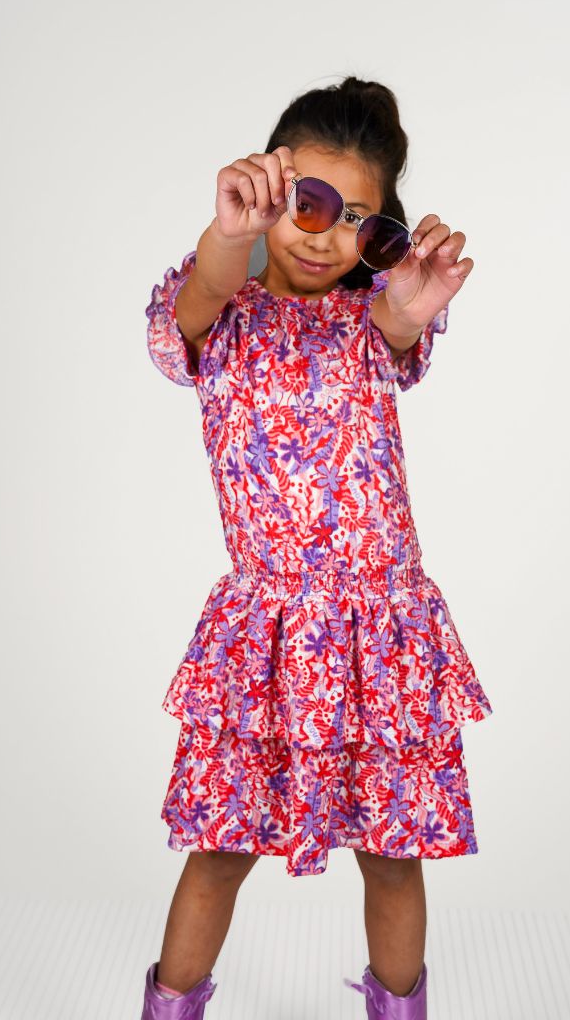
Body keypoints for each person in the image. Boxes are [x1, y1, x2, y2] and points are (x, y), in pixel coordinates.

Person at [141, 75, 493, 1020]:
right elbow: (208, 286)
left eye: (360, 224)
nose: (322, 235)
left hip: (382, 636)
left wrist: (412, 300)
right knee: (217, 853)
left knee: (393, 856)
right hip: (265, 639)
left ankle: (399, 1008)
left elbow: (396, 318)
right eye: (309, 203)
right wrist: (228, 231)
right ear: (269, 187)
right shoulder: (217, 315)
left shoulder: (369, 325)